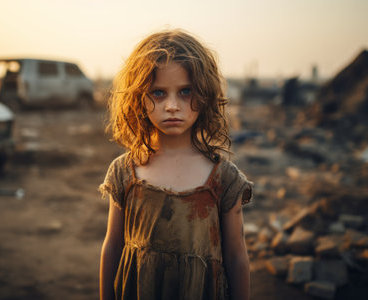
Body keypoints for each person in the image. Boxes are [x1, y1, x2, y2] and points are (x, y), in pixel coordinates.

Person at [99, 29, 253, 300]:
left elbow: (237, 257)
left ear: (204, 95)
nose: (172, 105)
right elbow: (113, 246)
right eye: (158, 92)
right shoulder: (125, 172)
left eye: (185, 92)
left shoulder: (224, 179)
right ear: (138, 97)